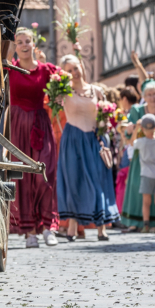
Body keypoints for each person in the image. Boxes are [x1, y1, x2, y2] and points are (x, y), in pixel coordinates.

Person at [56, 55, 120, 241]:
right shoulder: (63, 91)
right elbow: (50, 98)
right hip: (73, 139)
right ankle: (72, 228)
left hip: (95, 138)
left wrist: (104, 123)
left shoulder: (97, 91)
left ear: (81, 67)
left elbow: (105, 115)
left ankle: (101, 228)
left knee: (98, 180)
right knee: (74, 181)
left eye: (75, 68)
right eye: (69, 70)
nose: (74, 72)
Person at [8, 29, 59, 247]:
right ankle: (29, 231)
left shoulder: (47, 70)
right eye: (19, 42)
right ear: (15, 46)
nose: (24, 44)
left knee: (45, 174)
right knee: (23, 178)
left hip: (40, 123)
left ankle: (49, 227)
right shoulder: (9, 68)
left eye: (27, 41)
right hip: (18, 124)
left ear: (33, 44)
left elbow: (60, 91)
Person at [120, 80, 155, 230]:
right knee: (138, 190)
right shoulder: (137, 110)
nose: (152, 97)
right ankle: (137, 222)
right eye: (149, 94)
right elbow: (128, 133)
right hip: (142, 157)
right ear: (144, 96)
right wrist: (130, 129)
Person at [133, 114, 155, 233]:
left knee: (146, 202)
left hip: (146, 174)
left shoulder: (141, 142)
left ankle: (146, 225)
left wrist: (136, 129)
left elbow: (132, 143)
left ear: (142, 128)